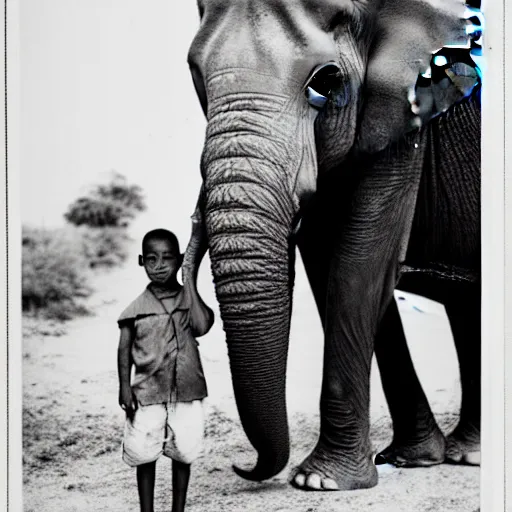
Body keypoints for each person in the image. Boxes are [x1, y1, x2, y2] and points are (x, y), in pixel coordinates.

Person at [117, 228, 214, 512]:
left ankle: (178, 509)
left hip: (186, 389)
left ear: (180, 260)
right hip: (147, 391)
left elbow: (203, 325)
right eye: (151, 259)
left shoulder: (188, 301)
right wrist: (125, 387)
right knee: (144, 453)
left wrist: (190, 282)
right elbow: (124, 350)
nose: (159, 266)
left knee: (183, 451)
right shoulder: (134, 311)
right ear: (141, 261)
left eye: (168, 259)